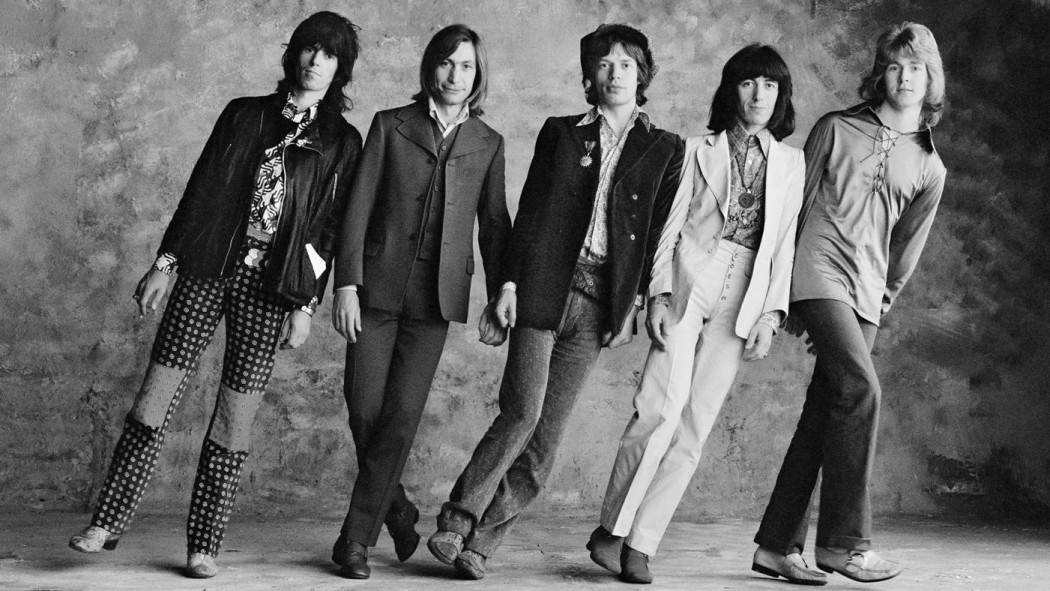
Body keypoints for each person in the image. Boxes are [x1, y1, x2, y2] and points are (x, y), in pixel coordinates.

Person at [66, 11, 363, 579]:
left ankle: (204, 546)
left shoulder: (342, 142)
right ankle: (106, 523)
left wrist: (305, 304)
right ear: (294, 53)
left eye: (329, 54)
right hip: (208, 268)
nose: (316, 61)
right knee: (154, 400)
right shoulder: (244, 114)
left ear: (340, 67)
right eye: (309, 49)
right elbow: (201, 190)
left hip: (272, 287)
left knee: (234, 419)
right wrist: (165, 263)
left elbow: (327, 232)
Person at [426, 23, 684, 580]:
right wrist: (508, 285)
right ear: (590, 74)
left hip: (599, 306)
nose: (615, 73)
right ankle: (456, 520)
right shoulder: (561, 132)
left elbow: (657, 235)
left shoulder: (665, 148)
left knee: (546, 440)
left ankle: (482, 545)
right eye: (604, 63)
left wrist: (634, 305)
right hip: (544, 289)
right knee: (521, 411)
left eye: (626, 64)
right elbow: (531, 211)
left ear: (642, 74)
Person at [587, 44, 805, 585]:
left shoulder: (791, 163)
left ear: (780, 96)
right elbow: (669, 228)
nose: (759, 95)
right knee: (659, 407)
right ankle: (612, 530)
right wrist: (659, 294)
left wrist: (771, 316)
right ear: (731, 89)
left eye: (770, 86)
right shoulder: (694, 149)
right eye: (748, 82)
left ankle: (643, 543)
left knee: (695, 425)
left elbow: (783, 246)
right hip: (692, 275)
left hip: (746, 289)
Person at [752, 22, 946, 585]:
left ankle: (775, 546)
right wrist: (781, 296)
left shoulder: (930, 167)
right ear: (880, 74)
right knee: (863, 391)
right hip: (816, 270)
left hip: (866, 294)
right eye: (895, 66)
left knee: (826, 413)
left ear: (931, 78)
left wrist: (876, 309)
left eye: (916, 68)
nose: (905, 77)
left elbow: (904, 252)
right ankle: (845, 545)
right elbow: (792, 210)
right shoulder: (836, 128)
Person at [327, 24, 510, 580]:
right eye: (447, 63)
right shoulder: (391, 125)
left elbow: (494, 224)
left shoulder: (488, 142)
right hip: (375, 291)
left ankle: (354, 540)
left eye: (467, 66)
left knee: (401, 418)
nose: (456, 75)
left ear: (477, 76)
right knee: (365, 410)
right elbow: (357, 207)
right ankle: (399, 510)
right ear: (431, 67)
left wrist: (503, 289)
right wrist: (346, 284)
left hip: (436, 301)